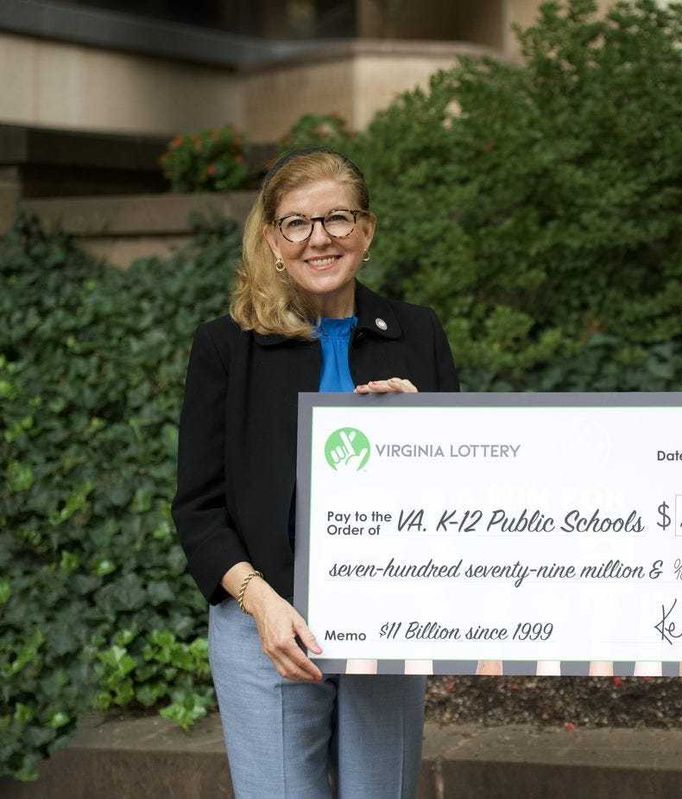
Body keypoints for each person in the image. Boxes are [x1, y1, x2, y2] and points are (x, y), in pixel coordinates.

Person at [172, 148, 459, 798]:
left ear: (367, 230)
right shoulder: (226, 346)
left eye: (337, 217)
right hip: (265, 626)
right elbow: (199, 507)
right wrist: (260, 603)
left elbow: (457, 500)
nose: (320, 237)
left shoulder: (417, 333)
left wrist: (430, 432)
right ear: (273, 240)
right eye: (298, 223)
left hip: (388, 621)